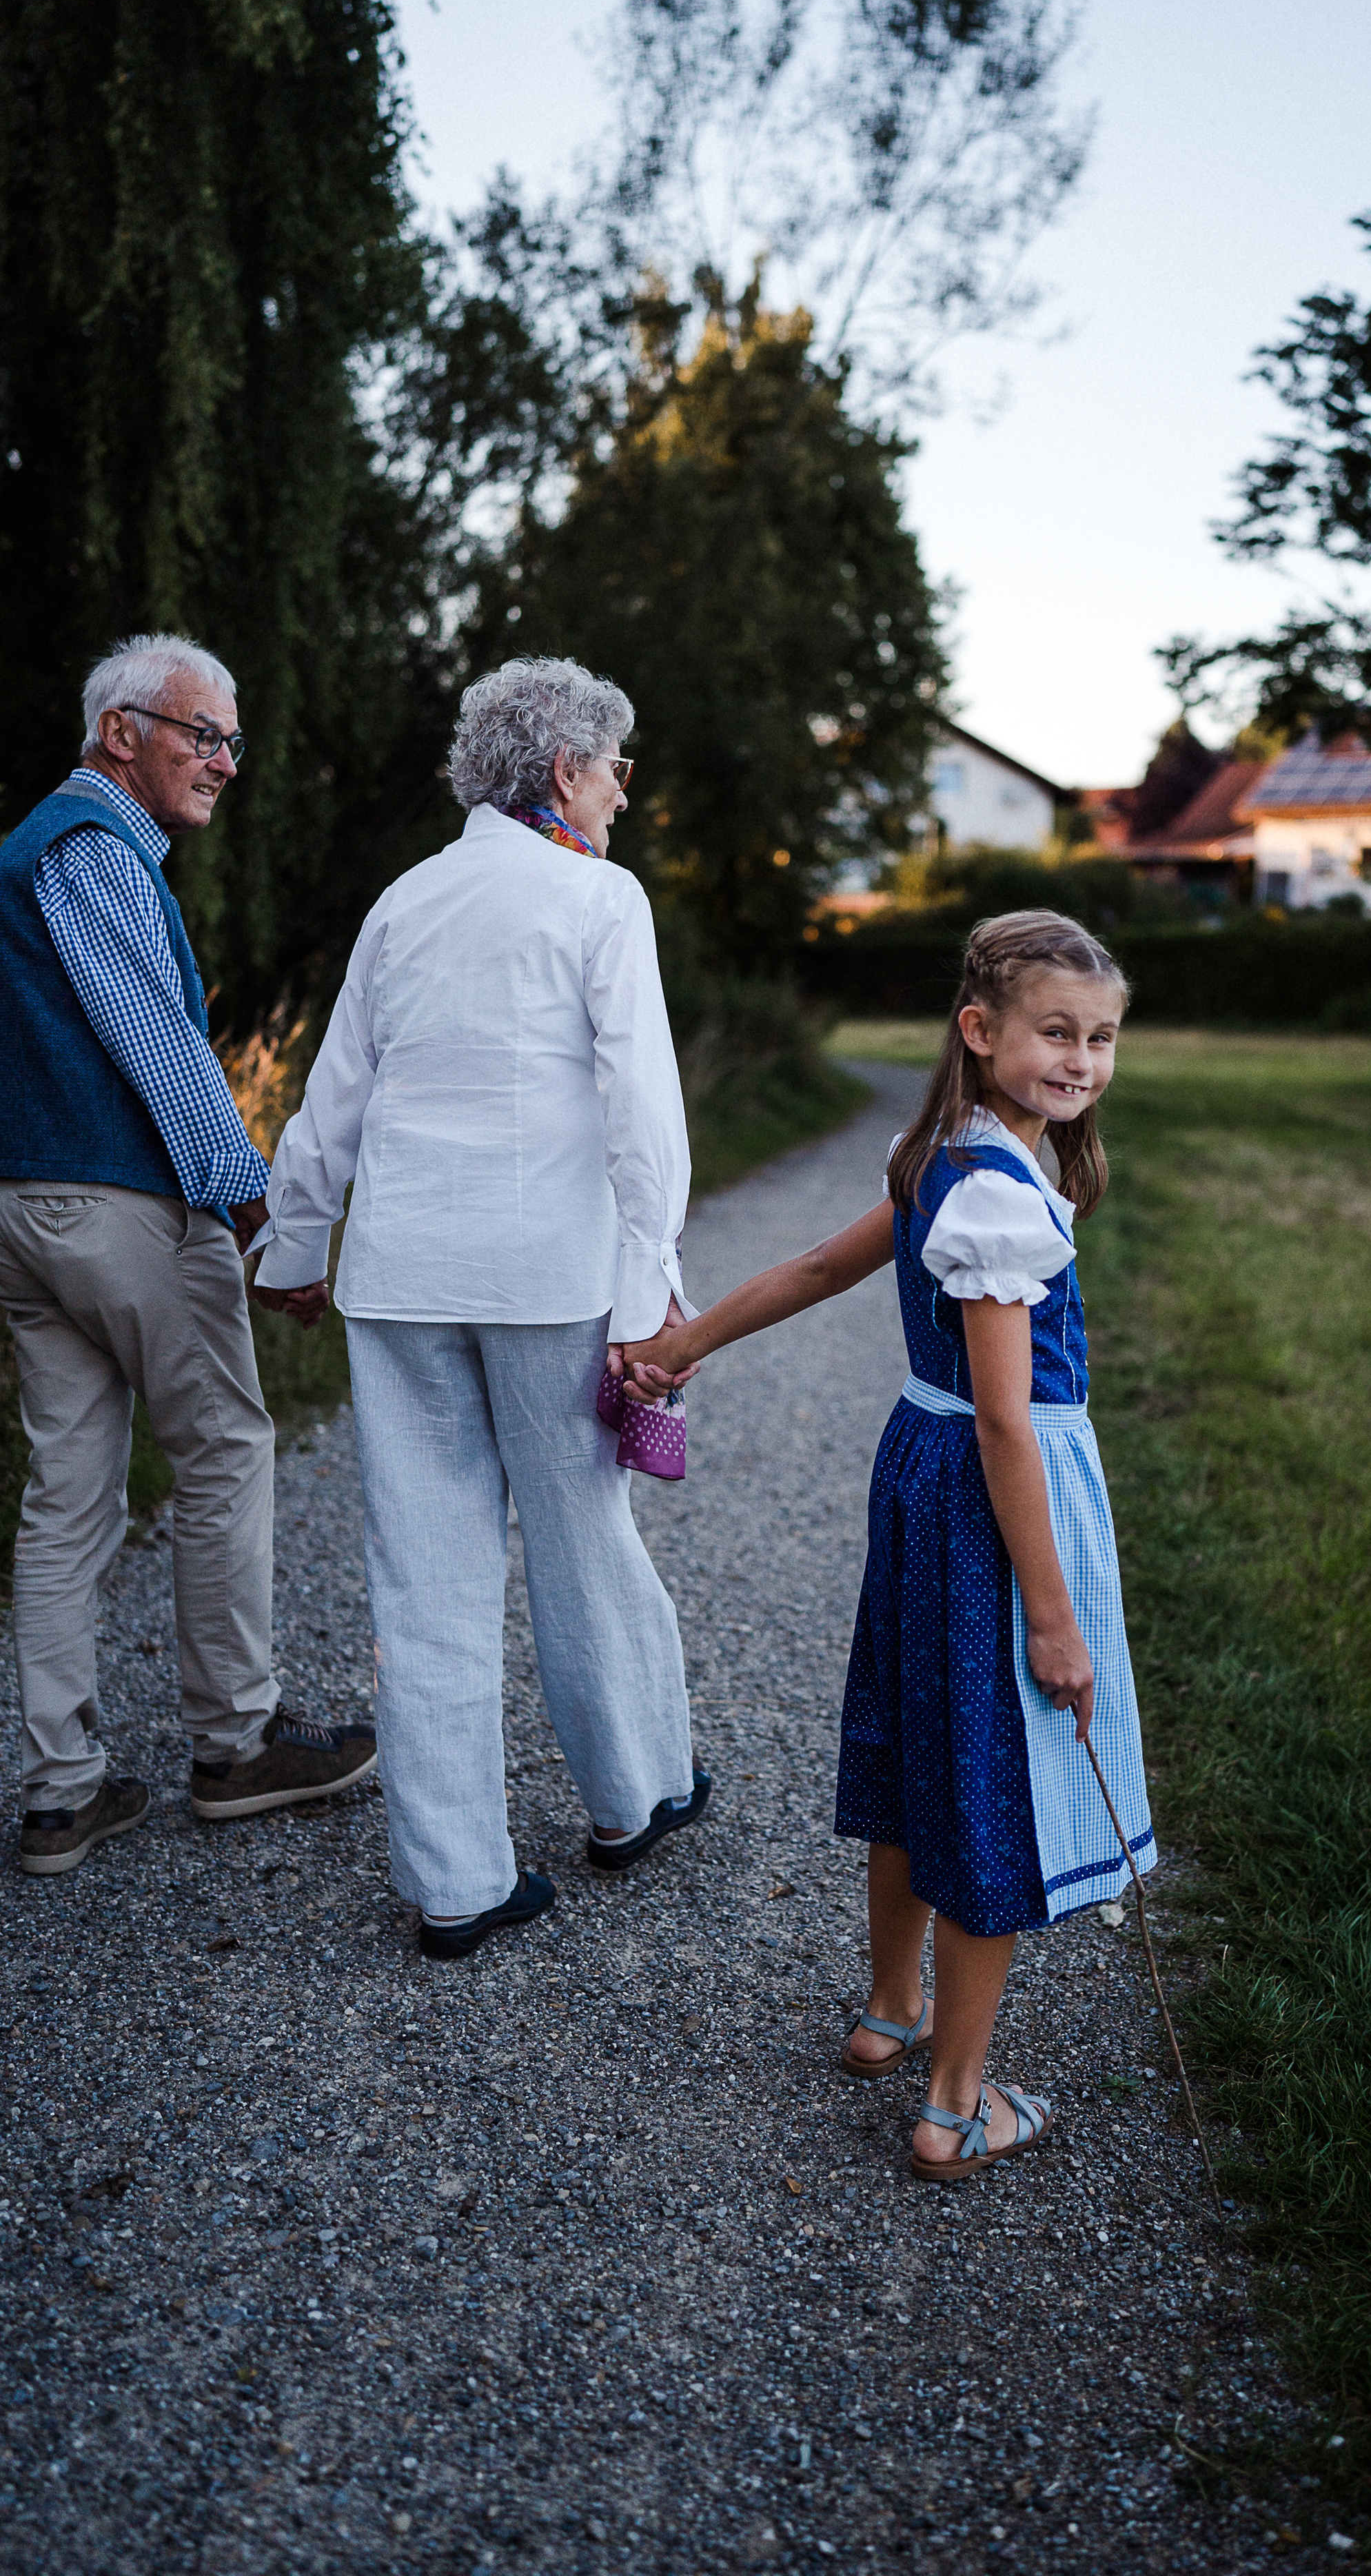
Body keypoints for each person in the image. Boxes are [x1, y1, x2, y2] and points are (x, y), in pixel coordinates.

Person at [622, 909, 1156, 2177]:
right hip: (986, 1497)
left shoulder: (943, 1158)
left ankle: (888, 2013)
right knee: (996, 1782)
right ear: (979, 1032)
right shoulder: (998, 1201)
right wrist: (1054, 1614)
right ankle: (955, 2106)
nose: (1080, 1061)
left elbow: (814, 1269)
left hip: (922, 1476)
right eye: (1054, 1034)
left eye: (1103, 1038)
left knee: (925, 1734)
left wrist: (678, 1346)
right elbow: (1008, 1427)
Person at [250, 656, 708, 1961]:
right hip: (549, 1282)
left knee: (426, 1570)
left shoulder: (406, 899)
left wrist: (293, 1248)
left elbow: (334, 1097)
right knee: (582, 1539)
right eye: (617, 763)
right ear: (565, 768)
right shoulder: (598, 899)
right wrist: (648, 1288)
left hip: (398, 1282)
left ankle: (454, 1881)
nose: (625, 788)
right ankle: (631, 1802)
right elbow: (645, 1118)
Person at [0, 635, 377, 1878]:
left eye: (231, 741)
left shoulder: (31, 856)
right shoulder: (89, 848)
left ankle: (61, 1794)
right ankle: (236, 1745)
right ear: (123, 733)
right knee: (223, 1447)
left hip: (22, 1209)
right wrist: (264, 1211)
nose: (225, 761)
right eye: (201, 735)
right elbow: (154, 1046)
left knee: (69, 1491)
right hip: (116, 1203)